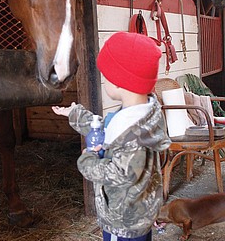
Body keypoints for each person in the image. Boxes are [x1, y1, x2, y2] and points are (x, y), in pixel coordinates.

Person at [52, 31, 171, 241]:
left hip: (123, 220)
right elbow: (108, 129)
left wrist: (87, 159)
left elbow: (121, 174)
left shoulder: (133, 134)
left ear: (118, 82)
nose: (105, 82)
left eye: (106, 77)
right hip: (137, 210)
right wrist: (76, 114)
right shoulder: (141, 113)